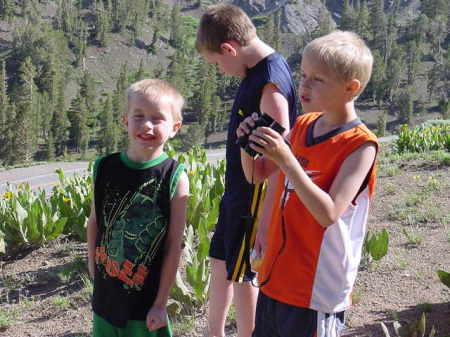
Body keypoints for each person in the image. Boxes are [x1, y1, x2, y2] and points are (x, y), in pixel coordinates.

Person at [237, 31, 378, 337]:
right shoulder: (302, 125)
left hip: (315, 290)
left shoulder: (361, 145)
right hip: (276, 277)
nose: (303, 84)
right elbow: (257, 175)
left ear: (350, 88)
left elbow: (328, 213)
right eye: (303, 75)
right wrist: (246, 145)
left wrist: (287, 160)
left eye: (318, 79)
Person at [196, 4, 298, 337]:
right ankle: (214, 332)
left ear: (229, 49)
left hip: (254, 196)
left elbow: (277, 157)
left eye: (216, 63)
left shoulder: (269, 84)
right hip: (237, 191)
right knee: (221, 259)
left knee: (243, 273)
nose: (220, 70)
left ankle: (248, 333)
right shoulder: (257, 71)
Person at [86, 79, 189, 337]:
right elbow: (95, 222)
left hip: (147, 306)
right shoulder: (104, 167)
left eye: (157, 118)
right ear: (125, 121)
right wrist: (91, 264)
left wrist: (160, 303)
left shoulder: (174, 177)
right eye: (139, 116)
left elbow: (174, 243)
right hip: (106, 297)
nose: (146, 125)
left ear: (175, 127)